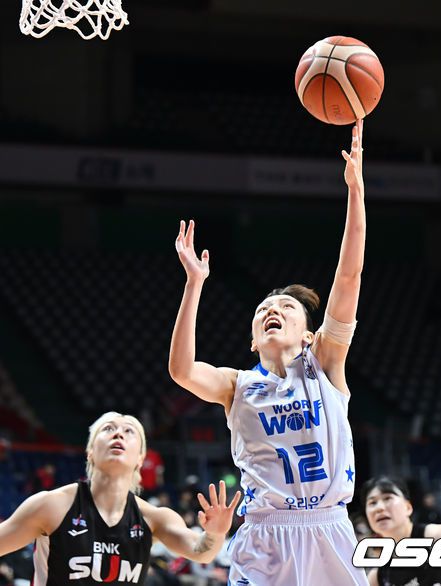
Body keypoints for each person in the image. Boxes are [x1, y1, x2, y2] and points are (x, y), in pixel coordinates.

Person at [169, 121, 369, 585]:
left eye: (285, 307)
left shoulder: (325, 363)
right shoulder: (237, 385)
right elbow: (181, 370)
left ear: (309, 334)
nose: (272, 310)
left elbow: (348, 277)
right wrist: (194, 284)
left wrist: (356, 191)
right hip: (265, 535)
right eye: (263, 309)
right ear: (253, 339)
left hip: (330, 529)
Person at [0, 412, 240, 585]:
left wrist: (215, 533)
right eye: (108, 429)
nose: (118, 433)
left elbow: (201, 551)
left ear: (140, 458)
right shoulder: (51, 506)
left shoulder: (154, 518)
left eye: (129, 431)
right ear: (90, 452)